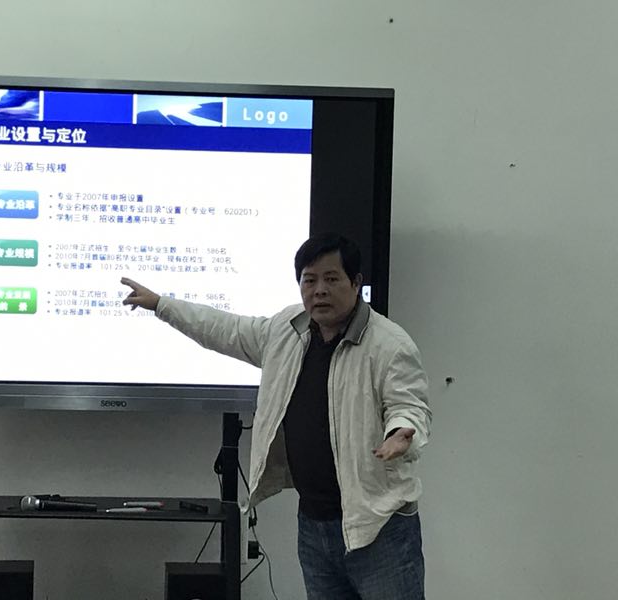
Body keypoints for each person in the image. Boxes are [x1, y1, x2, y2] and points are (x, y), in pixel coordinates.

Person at [121, 233, 431, 599]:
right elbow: (225, 329)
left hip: (378, 525)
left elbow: (409, 405)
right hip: (314, 525)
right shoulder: (287, 330)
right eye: (309, 280)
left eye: (331, 279)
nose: (319, 290)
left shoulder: (389, 344)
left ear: (355, 282)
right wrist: (161, 305)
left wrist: (401, 431)